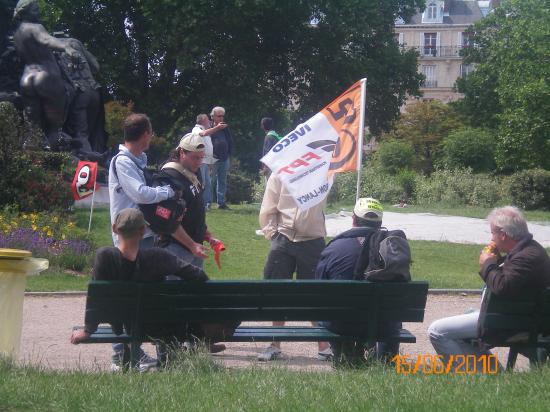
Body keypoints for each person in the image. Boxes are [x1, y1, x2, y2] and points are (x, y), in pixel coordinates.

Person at [70, 209, 232, 368]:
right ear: (143, 231)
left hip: (126, 327)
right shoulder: (158, 257)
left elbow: (97, 298)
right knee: (173, 316)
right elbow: (199, 276)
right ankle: (173, 356)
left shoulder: (104, 257)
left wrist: (88, 330)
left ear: (114, 229)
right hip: (159, 326)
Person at [428, 206, 550, 371]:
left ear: (503, 234)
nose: (491, 238)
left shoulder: (525, 258)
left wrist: (488, 264)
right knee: (468, 315)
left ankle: (473, 375)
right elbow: (511, 280)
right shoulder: (531, 250)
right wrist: (498, 262)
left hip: (513, 322)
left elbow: (502, 286)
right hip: (519, 317)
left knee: (437, 331)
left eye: (492, 233)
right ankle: (491, 371)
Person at [315, 198, 402, 362]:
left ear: (353, 219)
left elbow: (320, 286)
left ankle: (345, 357)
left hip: (342, 324)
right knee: (390, 317)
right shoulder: (393, 249)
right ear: (380, 222)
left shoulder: (335, 247)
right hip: (383, 324)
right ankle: (386, 361)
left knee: (336, 313)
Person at [257, 173, 326, 361]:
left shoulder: (322, 169)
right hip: (283, 238)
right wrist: (273, 234)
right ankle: (275, 343)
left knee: (315, 295)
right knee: (277, 292)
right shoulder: (279, 173)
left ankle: (324, 344)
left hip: (313, 239)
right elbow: (268, 206)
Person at [12, 0, 81, 149]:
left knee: (33, 128)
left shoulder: (17, 34)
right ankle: (55, 159)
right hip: (46, 75)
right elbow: (46, 39)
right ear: (25, 12)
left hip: (26, 78)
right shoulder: (36, 27)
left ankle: (33, 158)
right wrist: (66, 47)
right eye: (35, 9)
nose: (38, 12)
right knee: (54, 126)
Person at [108, 113, 175, 248]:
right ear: (145, 134)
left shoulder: (138, 160)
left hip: (144, 231)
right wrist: (167, 191)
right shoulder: (123, 162)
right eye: (151, 134)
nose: (151, 138)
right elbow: (141, 194)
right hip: (129, 233)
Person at [156, 133, 220, 268]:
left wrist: (208, 236)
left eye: (201, 158)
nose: (199, 162)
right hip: (174, 249)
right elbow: (167, 220)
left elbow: (194, 210)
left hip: (194, 247)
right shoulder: (168, 176)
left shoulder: (192, 172)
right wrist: (191, 245)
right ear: (181, 152)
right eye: (195, 158)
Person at [192, 113, 227, 210]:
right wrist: (217, 128)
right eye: (208, 119)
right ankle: (200, 204)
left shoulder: (205, 130)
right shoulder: (197, 129)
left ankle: (206, 203)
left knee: (207, 183)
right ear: (203, 121)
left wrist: (210, 162)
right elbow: (203, 134)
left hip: (206, 161)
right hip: (200, 161)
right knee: (201, 182)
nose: (210, 121)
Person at [209, 106, 232, 209]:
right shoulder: (209, 127)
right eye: (219, 116)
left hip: (224, 158)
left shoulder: (225, 128)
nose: (221, 118)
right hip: (213, 158)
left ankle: (221, 203)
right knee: (210, 181)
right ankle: (208, 202)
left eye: (222, 116)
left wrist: (229, 153)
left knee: (222, 180)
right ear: (213, 116)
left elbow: (229, 140)